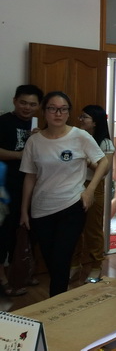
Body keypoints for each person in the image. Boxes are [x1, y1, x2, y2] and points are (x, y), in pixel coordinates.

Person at [20, 92, 108, 296]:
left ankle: (56, 303)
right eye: (52, 108)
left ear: (68, 113)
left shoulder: (80, 136)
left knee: (61, 258)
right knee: (51, 260)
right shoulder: (34, 141)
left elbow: (103, 162)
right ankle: (59, 300)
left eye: (63, 109)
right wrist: (24, 210)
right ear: (44, 112)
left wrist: (89, 191)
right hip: (41, 209)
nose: (58, 113)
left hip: (72, 206)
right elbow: (30, 177)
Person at [0, 84, 43, 296]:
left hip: (32, 188)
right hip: (6, 189)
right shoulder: (3, 122)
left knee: (28, 232)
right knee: (4, 233)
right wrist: (20, 155)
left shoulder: (38, 126)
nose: (27, 107)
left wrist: (40, 139)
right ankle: (2, 279)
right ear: (15, 101)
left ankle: (22, 273)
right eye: (23, 103)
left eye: (32, 104)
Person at [70, 105, 114, 283]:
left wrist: (86, 160)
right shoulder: (76, 137)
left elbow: (104, 170)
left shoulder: (105, 143)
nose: (80, 120)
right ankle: (74, 264)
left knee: (93, 228)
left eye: (84, 117)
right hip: (74, 184)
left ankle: (96, 265)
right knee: (73, 227)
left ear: (95, 122)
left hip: (94, 186)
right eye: (81, 117)